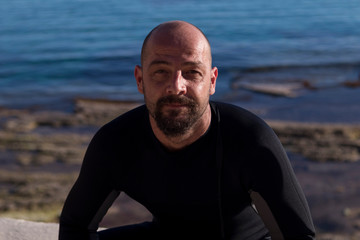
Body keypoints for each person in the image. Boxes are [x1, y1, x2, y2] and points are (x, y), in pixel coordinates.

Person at [59, 20, 316, 240]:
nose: (176, 86)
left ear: (212, 81)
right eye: (161, 72)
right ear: (140, 79)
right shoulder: (116, 143)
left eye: (192, 72)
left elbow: (298, 235)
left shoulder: (250, 140)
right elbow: (75, 226)